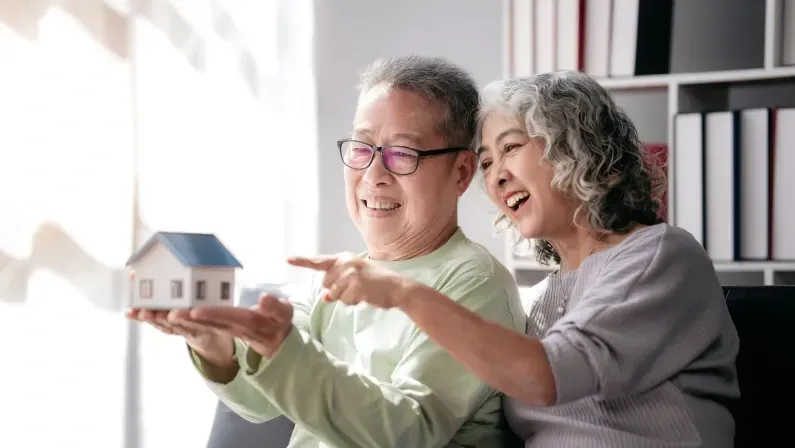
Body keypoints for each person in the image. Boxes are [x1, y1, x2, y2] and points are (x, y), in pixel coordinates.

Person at [290, 71, 741, 447]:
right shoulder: (539, 299)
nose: (496, 177)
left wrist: (405, 294)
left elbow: (546, 376)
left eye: (510, 147)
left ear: (575, 145)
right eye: (486, 162)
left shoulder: (661, 255)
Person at [127, 55, 526, 448]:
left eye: (402, 154)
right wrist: (215, 346)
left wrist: (284, 351)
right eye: (361, 148)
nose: (373, 176)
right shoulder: (342, 276)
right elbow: (262, 401)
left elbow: (407, 433)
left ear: (461, 172)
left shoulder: (475, 284)